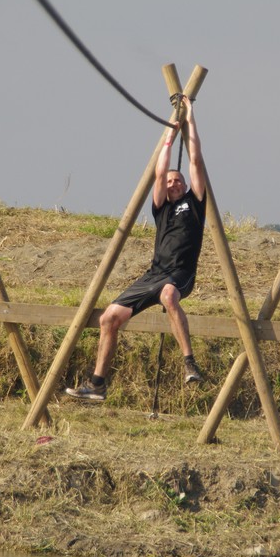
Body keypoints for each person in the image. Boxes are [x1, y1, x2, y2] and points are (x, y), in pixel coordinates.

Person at [65, 96, 207, 401]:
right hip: (154, 274)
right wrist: (169, 134)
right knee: (108, 318)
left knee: (168, 295)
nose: (173, 184)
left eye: (178, 181)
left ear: (185, 186)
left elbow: (195, 160)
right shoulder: (161, 207)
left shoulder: (195, 203)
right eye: (170, 182)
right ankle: (97, 384)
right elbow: (159, 172)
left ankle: (189, 363)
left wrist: (190, 118)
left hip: (181, 274)